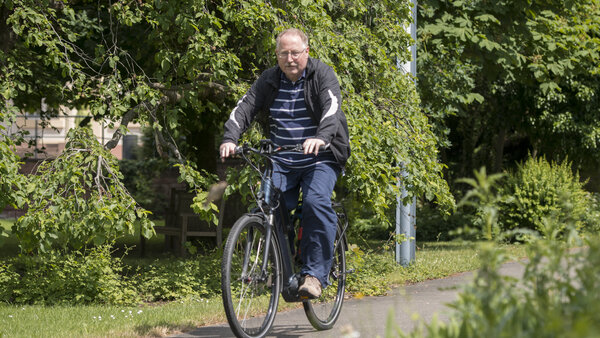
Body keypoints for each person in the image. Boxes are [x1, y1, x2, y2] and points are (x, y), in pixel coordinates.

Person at [220, 28, 350, 299]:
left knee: (315, 202)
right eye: (283, 53)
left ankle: (315, 275)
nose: (289, 58)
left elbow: (332, 109)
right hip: (281, 158)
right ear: (277, 55)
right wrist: (230, 138)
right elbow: (243, 108)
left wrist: (321, 137)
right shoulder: (269, 80)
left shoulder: (322, 75)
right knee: (266, 207)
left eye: (295, 52)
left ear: (307, 52)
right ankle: (283, 269)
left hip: (320, 158)